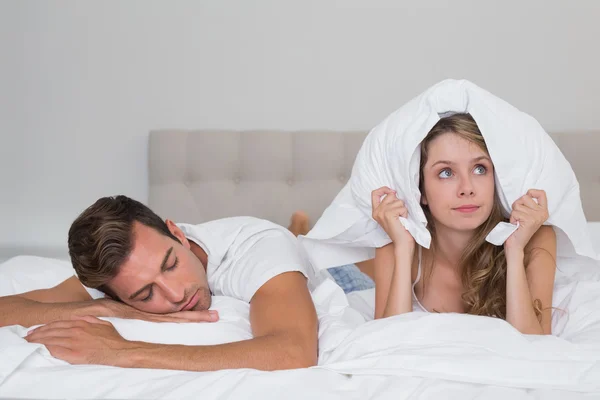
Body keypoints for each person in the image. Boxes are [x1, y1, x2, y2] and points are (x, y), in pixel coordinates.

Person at [0, 196, 318, 371]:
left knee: (300, 244)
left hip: (311, 262)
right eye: (146, 293)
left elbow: (293, 353)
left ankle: (296, 228)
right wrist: (108, 308)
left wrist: (122, 351)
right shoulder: (115, 277)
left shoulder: (257, 248)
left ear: (177, 234)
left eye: (171, 265)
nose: (177, 294)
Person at [371, 113, 556, 334]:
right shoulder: (394, 243)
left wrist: (514, 250)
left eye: (480, 169)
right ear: (420, 191)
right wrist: (403, 248)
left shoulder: (536, 237)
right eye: (446, 173)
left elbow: (536, 347)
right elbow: (385, 345)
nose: (467, 188)